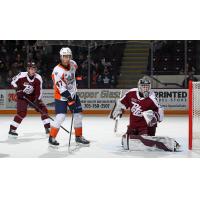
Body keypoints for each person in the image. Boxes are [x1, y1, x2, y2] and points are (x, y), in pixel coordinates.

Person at [110, 77, 180, 152]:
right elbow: (121, 103)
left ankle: (166, 143)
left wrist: (154, 116)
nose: (145, 89)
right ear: (139, 87)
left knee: (142, 143)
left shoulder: (152, 98)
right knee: (125, 142)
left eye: (147, 87)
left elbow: (160, 112)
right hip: (133, 126)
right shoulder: (131, 93)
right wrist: (118, 110)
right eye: (143, 86)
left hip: (145, 128)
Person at [49, 47, 90, 146]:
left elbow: (76, 72)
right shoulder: (57, 71)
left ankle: (78, 137)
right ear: (61, 57)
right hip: (61, 97)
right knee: (61, 116)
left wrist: (79, 79)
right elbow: (61, 89)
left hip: (73, 94)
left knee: (78, 115)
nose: (66, 59)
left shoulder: (73, 63)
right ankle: (52, 137)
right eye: (64, 56)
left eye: (68, 56)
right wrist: (70, 100)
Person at [9, 61, 50, 137]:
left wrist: (37, 100)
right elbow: (12, 82)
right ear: (28, 69)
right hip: (22, 97)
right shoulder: (21, 75)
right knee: (22, 113)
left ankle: (47, 128)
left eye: (34, 69)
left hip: (33, 98)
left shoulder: (38, 78)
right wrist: (17, 89)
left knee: (44, 110)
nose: (32, 70)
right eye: (31, 69)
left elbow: (39, 91)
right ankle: (12, 129)